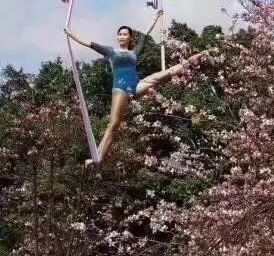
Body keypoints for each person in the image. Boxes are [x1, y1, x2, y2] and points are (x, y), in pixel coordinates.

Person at [65, 13, 212, 162]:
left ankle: (198, 58)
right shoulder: (111, 51)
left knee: (165, 74)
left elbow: (145, 35)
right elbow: (90, 44)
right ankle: (98, 157)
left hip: (136, 86)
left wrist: (154, 18)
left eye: (125, 34)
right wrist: (71, 34)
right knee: (114, 123)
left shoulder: (134, 52)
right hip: (120, 89)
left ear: (129, 37)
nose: (122, 37)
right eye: (120, 34)